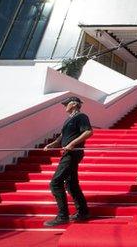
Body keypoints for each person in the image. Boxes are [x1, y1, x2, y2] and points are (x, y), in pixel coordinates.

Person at [43, 96, 93, 227]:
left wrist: (72, 144)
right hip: (68, 153)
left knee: (55, 183)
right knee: (71, 184)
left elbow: (88, 132)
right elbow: (62, 137)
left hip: (72, 154)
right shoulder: (68, 120)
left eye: (67, 104)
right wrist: (52, 144)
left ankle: (62, 216)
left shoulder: (81, 117)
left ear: (75, 104)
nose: (64, 106)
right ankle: (83, 212)